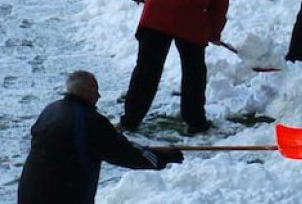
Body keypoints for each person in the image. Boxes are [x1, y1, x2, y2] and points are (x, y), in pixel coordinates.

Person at [120, 0, 229, 135]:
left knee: (147, 69)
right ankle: (195, 122)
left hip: (157, 15)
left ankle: (130, 120)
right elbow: (220, 4)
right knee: (194, 72)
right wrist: (214, 33)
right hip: (192, 23)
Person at [17, 70, 183, 204]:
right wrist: (164, 157)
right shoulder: (90, 121)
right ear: (86, 92)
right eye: (96, 91)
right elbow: (125, 153)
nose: (99, 96)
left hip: (29, 191)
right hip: (64, 195)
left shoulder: (51, 110)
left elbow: (109, 143)